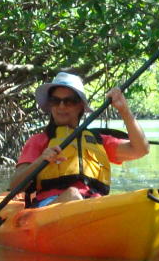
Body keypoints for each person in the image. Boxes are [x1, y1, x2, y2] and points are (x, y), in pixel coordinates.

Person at [11, 71, 149, 206]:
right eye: (55, 101)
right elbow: (15, 186)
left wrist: (124, 110)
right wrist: (41, 160)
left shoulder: (99, 140)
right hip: (50, 207)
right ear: (50, 105)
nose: (61, 106)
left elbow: (141, 149)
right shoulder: (38, 140)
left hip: (94, 204)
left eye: (69, 101)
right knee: (73, 195)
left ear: (80, 107)